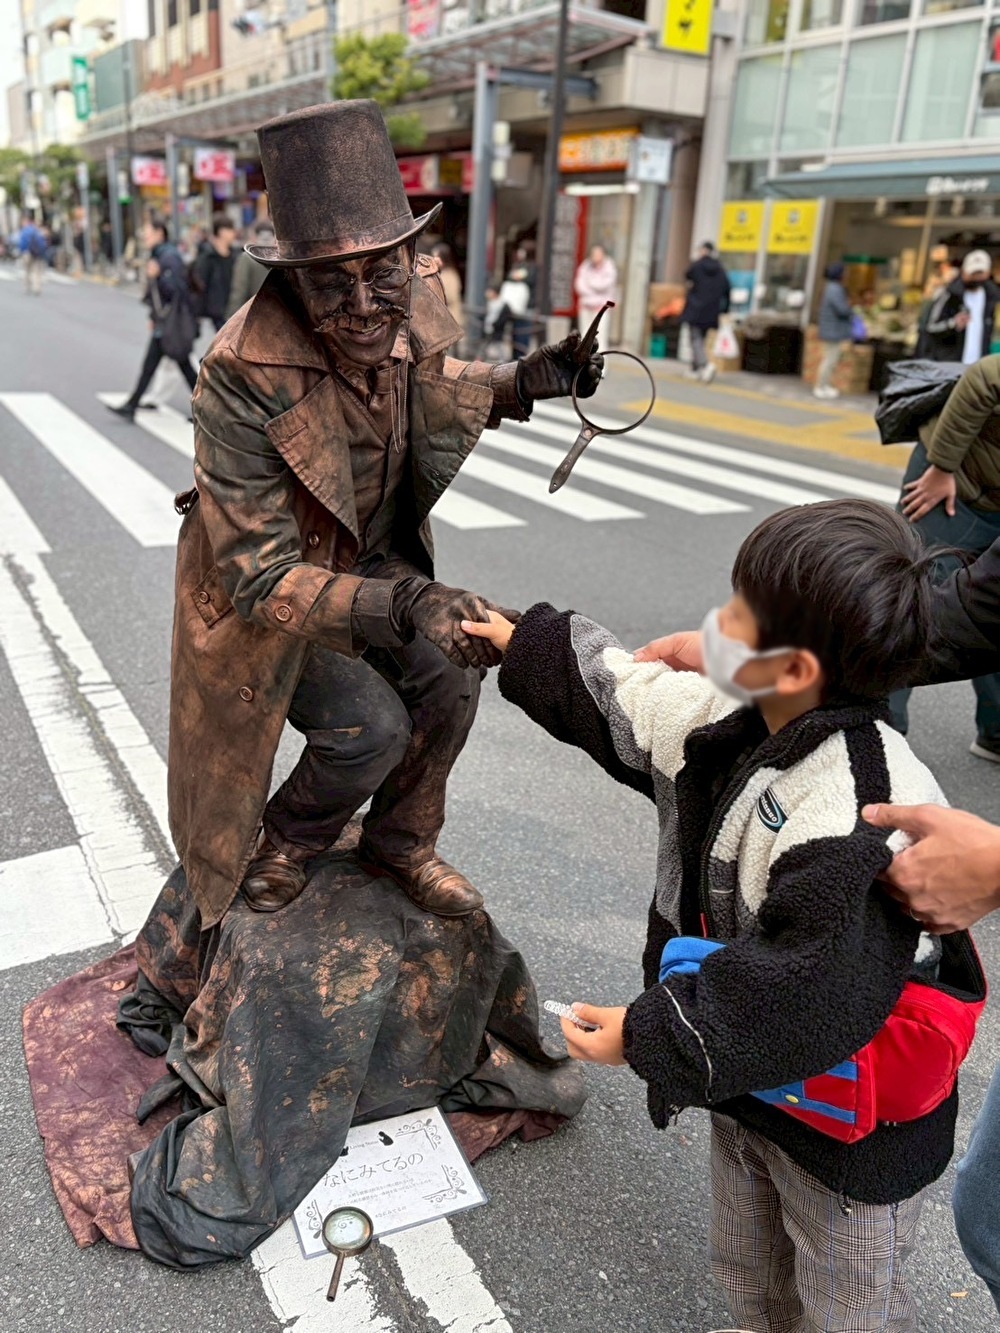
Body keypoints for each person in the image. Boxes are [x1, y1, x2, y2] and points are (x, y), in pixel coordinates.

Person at [464, 499, 984, 1332]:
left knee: (846, 1302)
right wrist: (524, 639)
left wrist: (648, 1036)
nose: (715, 626)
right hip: (752, 1085)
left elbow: (801, 990)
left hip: (850, 1133)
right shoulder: (739, 718)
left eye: (736, 616)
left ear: (793, 668)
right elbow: (629, 698)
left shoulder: (856, 806)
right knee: (748, 1266)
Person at [150, 99, 601, 925]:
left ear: (407, 256)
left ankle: (401, 840)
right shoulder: (240, 369)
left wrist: (525, 381)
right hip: (279, 588)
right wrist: (410, 602)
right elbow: (262, 577)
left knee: (452, 679)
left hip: (373, 558)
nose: (364, 304)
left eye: (381, 273)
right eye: (333, 282)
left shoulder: (410, 292)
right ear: (293, 280)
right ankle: (289, 838)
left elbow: (432, 380)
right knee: (367, 727)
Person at [889, 353, 1000, 759]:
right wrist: (942, 466)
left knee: (991, 608)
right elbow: (985, 376)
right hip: (952, 482)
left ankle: (996, 731)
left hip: (992, 494)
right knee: (913, 599)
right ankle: (878, 729)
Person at [106, 217, 199, 423]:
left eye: (147, 233)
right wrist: (153, 316)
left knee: (181, 367)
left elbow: (175, 290)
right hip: (165, 323)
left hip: (172, 323)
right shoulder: (161, 255)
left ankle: (207, 409)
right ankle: (132, 405)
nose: (144, 237)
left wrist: (158, 276)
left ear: (159, 233)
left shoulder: (169, 257)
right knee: (160, 366)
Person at [923, 249, 1000, 364]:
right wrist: (953, 324)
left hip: (978, 365)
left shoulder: (992, 297)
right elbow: (930, 327)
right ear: (964, 272)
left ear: (988, 273)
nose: (976, 277)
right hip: (950, 364)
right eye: (973, 273)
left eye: (980, 273)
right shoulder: (950, 295)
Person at [682, 241, 731, 384]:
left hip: (696, 307)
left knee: (695, 338)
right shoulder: (720, 268)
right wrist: (725, 309)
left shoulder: (697, 266)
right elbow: (727, 288)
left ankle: (705, 365)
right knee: (701, 339)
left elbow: (687, 276)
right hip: (712, 310)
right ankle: (695, 369)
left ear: (704, 250)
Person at [814, 262, 854, 399]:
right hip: (832, 330)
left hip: (831, 329)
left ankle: (825, 385)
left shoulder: (831, 288)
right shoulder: (835, 289)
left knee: (831, 359)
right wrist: (850, 308)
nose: (847, 275)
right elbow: (842, 309)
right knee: (830, 360)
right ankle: (820, 386)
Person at [192, 213, 237, 331]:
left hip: (235, 309)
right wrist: (197, 313)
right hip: (217, 311)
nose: (234, 233)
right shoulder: (207, 257)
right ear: (221, 232)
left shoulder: (236, 255)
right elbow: (200, 285)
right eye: (230, 229)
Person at [224, 217, 273, 319]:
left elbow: (239, 291)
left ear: (254, 236)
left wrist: (231, 318)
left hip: (253, 318)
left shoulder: (247, 258)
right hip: (278, 317)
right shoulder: (281, 260)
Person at [574, 243, 618, 333]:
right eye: (594, 254)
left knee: (599, 333)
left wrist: (590, 283)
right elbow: (579, 285)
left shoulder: (609, 268)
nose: (596, 256)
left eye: (598, 254)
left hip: (601, 307)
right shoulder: (585, 266)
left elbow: (603, 285)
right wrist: (592, 290)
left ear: (603, 255)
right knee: (585, 333)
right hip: (586, 305)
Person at [431, 242, 464, 352]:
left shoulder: (449, 274)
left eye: (436, 256)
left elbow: (451, 297)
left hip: (450, 318)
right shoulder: (441, 273)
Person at [17, 213, 47, 295]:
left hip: (26, 252)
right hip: (36, 253)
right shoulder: (36, 230)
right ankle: (37, 287)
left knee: (27, 270)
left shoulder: (25, 231)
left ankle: (28, 287)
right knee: (36, 271)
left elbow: (21, 243)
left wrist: (21, 251)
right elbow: (42, 242)